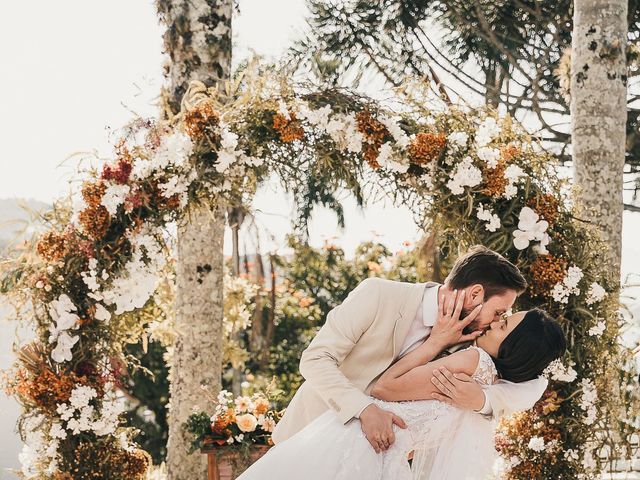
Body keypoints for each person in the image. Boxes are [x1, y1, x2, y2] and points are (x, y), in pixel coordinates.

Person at [237, 296, 566, 479]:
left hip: (359, 444)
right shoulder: (492, 379)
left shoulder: (473, 361)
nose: (493, 322)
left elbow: (385, 387)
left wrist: (435, 342)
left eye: (503, 324)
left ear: (516, 347)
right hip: (377, 453)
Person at [272, 245, 546, 454]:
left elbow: (530, 386)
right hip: (306, 440)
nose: (497, 322)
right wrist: (364, 409)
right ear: (474, 294)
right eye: (499, 312)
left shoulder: (472, 343)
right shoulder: (378, 294)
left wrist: (482, 401)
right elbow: (315, 359)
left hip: (369, 462)